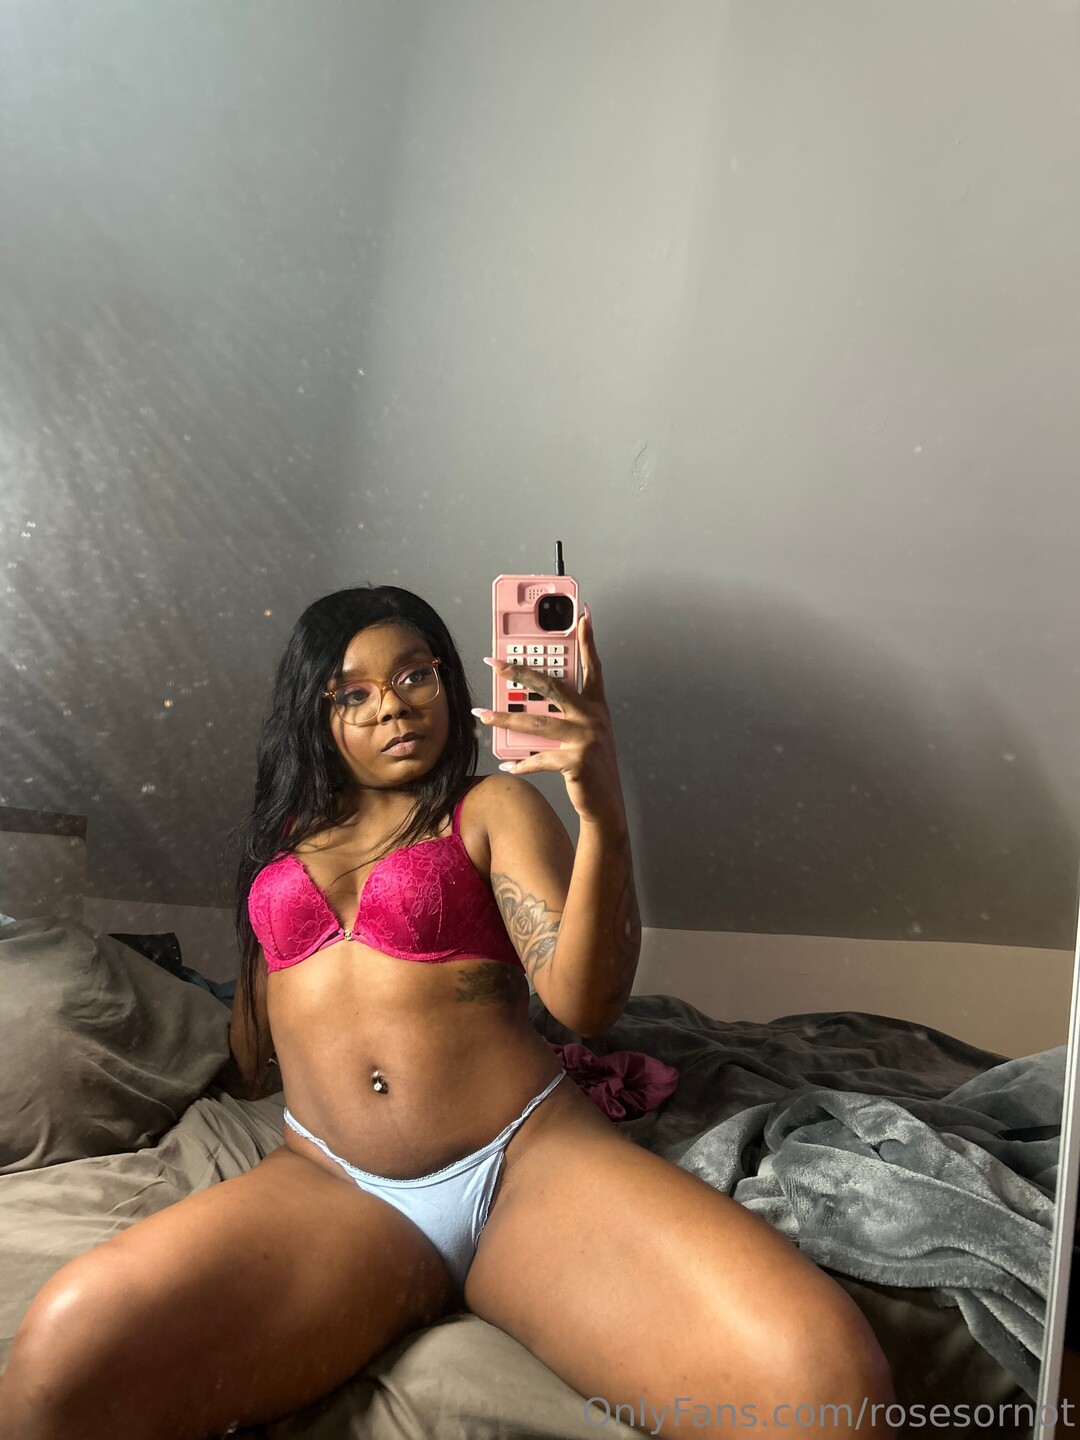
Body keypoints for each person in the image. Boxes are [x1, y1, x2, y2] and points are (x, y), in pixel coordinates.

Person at [0, 585, 897, 1440]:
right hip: (333, 1188)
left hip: (522, 1166)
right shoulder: (280, 845)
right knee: (64, 1348)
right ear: (314, 716)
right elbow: (251, 1040)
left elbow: (585, 1005)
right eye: (353, 694)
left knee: (825, 1381)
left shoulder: (489, 806)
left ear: (448, 680)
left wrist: (602, 808)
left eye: (414, 675)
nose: (392, 706)